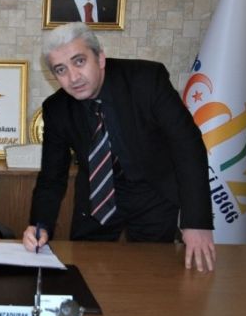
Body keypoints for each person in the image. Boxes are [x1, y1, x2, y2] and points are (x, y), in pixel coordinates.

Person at [22, 22, 215, 272]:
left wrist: (196, 222)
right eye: (61, 69)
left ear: (100, 58)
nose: (73, 77)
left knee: (155, 276)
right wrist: (40, 225)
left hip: (152, 194)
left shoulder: (147, 80)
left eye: (79, 61)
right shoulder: (57, 109)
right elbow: (52, 177)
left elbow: (188, 147)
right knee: (86, 273)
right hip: (96, 198)